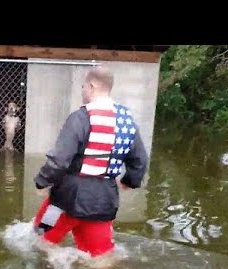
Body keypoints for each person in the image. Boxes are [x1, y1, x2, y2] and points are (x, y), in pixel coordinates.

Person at [33, 66, 149, 258]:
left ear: (92, 86)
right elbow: (140, 161)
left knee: (40, 240)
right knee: (101, 259)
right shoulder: (127, 121)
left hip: (64, 200)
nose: (82, 91)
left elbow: (59, 160)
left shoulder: (80, 118)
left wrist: (41, 182)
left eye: (83, 86)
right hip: (104, 203)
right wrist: (129, 182)